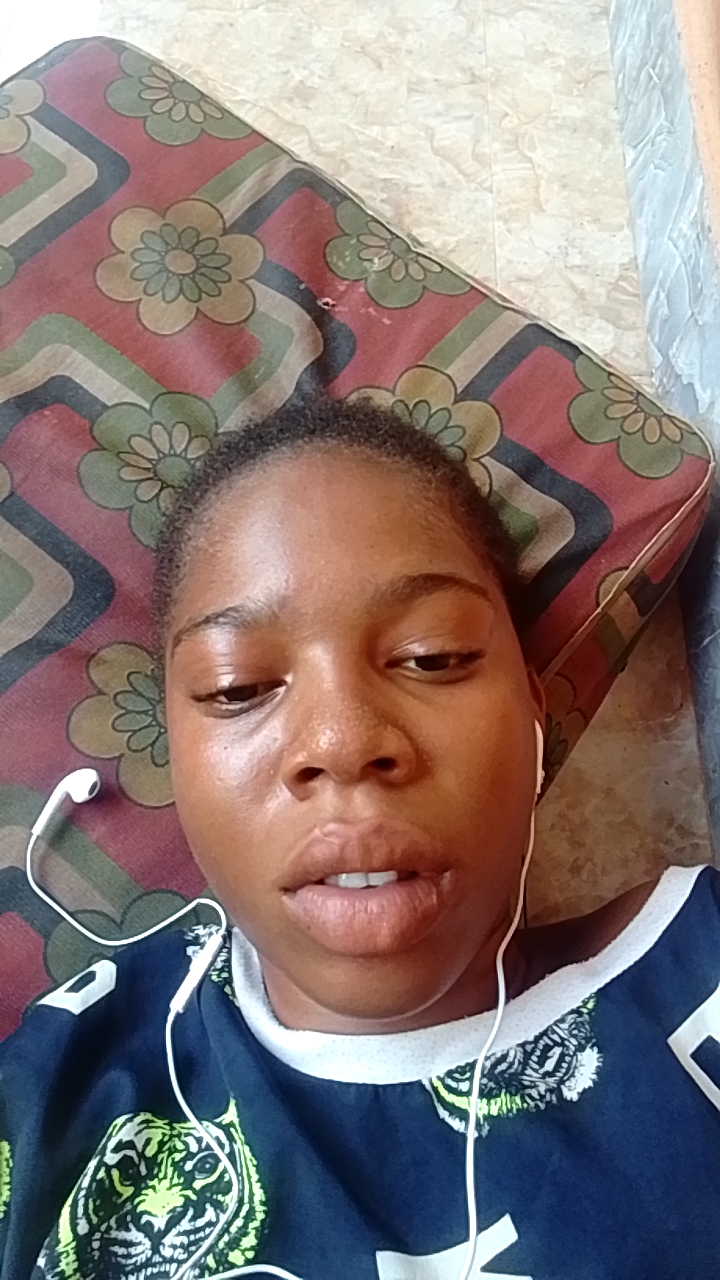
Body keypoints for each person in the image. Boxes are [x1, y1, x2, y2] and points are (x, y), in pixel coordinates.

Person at [1, 395, 719, 1280]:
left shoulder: (701, 977)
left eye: (431, 657)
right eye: (236, 688)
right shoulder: (59, 1090)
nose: (342, 743)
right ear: (176, 755)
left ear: (533, 709)